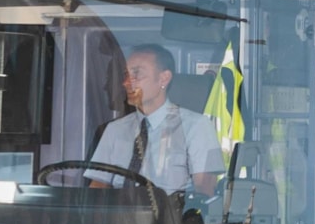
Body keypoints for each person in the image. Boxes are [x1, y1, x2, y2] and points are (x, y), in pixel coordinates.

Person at [86, 44, 220, 196]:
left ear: (164, 78)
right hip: (118, 216)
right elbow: (97, 189)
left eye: (136, 74)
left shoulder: (197, 127)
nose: (126, 83)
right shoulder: (115, 130)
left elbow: (205, 192)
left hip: (169, 217)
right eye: (126, 75)